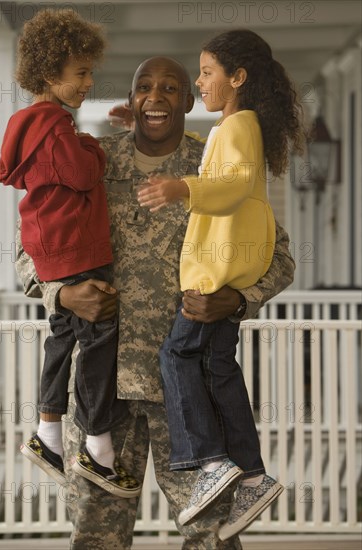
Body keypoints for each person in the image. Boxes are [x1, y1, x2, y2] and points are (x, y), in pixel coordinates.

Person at [16, 56, 296, 549]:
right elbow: (30, 243)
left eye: (171, 87)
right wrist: (62, 293)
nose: (156, 97)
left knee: (211, 535)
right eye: (144, 86)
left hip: (188, 395)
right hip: (103, 390)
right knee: (96, 535)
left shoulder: (212, 167)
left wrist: (237, 299)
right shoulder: (89, 160)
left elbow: (277, 254)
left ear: (188, 101)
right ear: (131, 99)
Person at [137, 29, 305, 537]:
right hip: (228, 269)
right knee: (217, 366)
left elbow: (228, 187)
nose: (202, 81)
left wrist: (180, 186)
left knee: (176, 356)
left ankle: (212, 462)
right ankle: (251, 474)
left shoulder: (235, 127)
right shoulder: (243, 125)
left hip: (215, 272)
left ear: (238, 78)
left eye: (207, 72)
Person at [0, 9, 140, 498]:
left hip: (53, 250)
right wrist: (92, 147)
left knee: (62, 337)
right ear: (49, 75)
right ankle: (98, 448)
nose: (88, 81)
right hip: (79, 247)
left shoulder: (27, 125)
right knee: (99, 344)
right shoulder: (55, 124)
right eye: (80, 73)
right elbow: (80, 175)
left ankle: (48, 431)